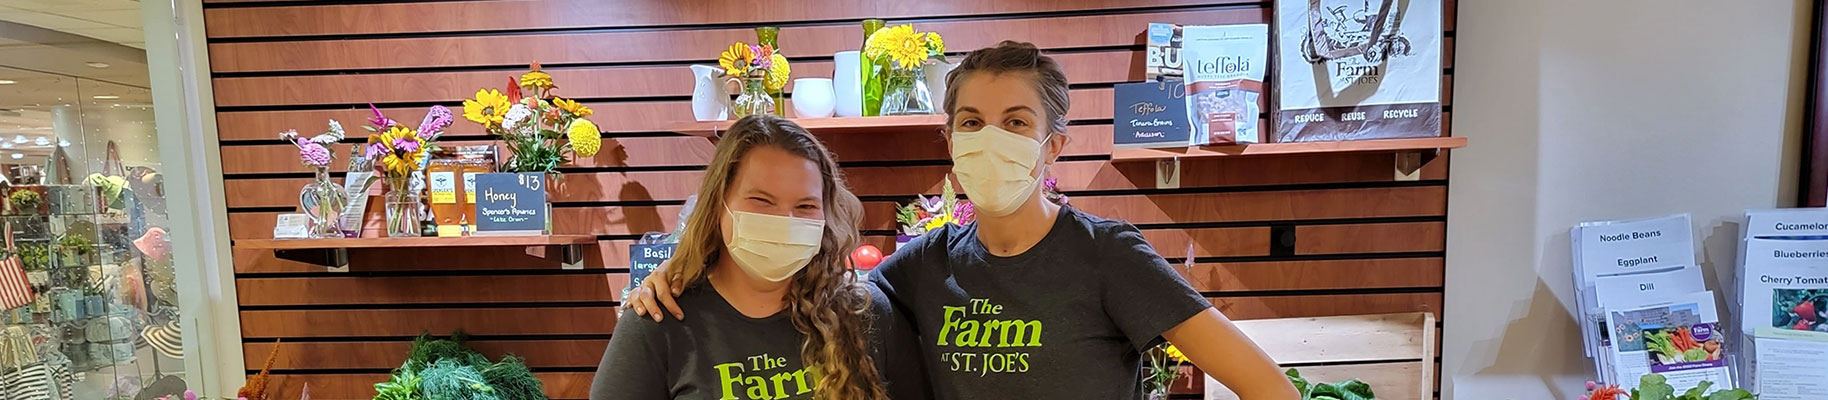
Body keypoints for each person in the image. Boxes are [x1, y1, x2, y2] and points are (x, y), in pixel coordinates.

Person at [628, 42, 1297, 399]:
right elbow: (814, 284)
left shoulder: (1107, 255)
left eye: (1016, 122)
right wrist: (672, 278)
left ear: (1053, 145)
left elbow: (1264, 384)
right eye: (972, 122)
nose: (990, 139)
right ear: (951, 142)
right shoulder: (924, 265)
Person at [589, 115, 928, 400]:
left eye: (805, 206)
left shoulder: (866, 315)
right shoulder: (658, 323)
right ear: (718, 205)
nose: (785, 221)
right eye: (762, 201)